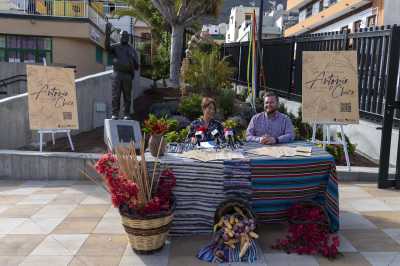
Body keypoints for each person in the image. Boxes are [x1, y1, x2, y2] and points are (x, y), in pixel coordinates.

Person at [105, 22, 139, 120]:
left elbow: (137, 66)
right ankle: (115, 113)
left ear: (128, 37)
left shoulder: (132, 50)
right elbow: (107, 48)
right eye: (122, 35)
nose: (124, 37)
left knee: (127, 96)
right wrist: (107, 34)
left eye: (126, 36)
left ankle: (126, 114)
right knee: (116, 95)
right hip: (117, 74)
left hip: (128, 75)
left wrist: (133, 59)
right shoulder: (115, 47)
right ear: (119, 37)